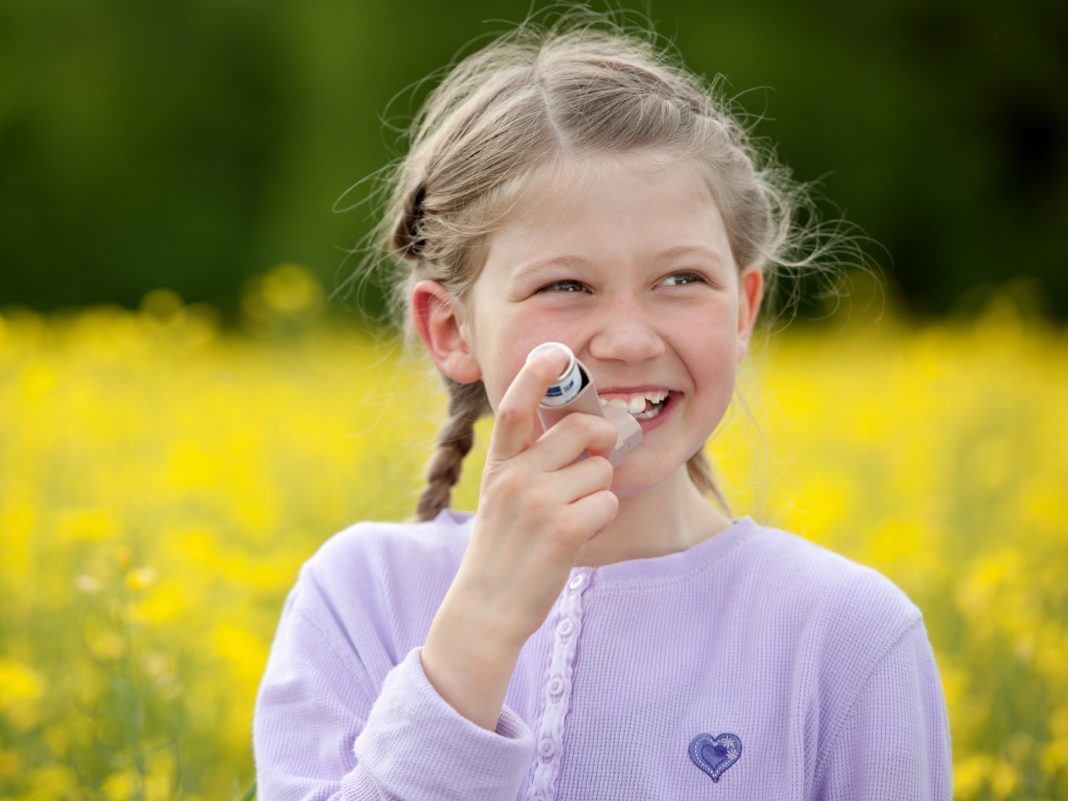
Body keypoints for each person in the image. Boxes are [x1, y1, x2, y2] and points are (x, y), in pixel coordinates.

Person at [253, 16, 952, 801]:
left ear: (743, 309)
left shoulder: (850, 634)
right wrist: (480, 628)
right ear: (450, 330)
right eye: (566, 286)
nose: (626, 338)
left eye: (681, 279)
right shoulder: (359, 598)